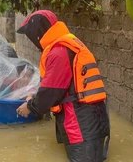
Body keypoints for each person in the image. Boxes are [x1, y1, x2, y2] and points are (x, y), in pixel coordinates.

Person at [15, 10, 110, 162]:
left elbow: (51, 93)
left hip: (81, 125)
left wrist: (30, 106)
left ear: (38, 32)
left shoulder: (58, 52)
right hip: (91, 120)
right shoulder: (67, 44)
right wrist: (33, 96)